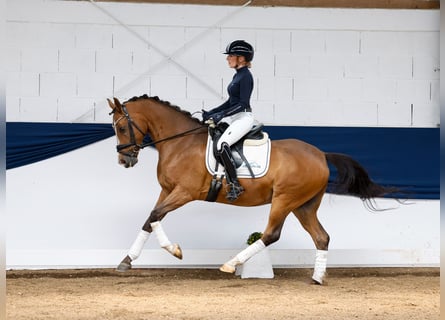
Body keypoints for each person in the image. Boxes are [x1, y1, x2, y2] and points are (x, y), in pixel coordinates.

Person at [202, 40, 255, 201]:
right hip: (235, 117)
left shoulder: (246, 76)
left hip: (244, 118)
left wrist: (221, 115)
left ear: (241, 58)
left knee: (222, 144)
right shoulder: (237, 75)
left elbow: (243, 104)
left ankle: (235, 184)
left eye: (231, 55)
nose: (227, 59)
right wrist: (214, 112)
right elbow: (230, 102)